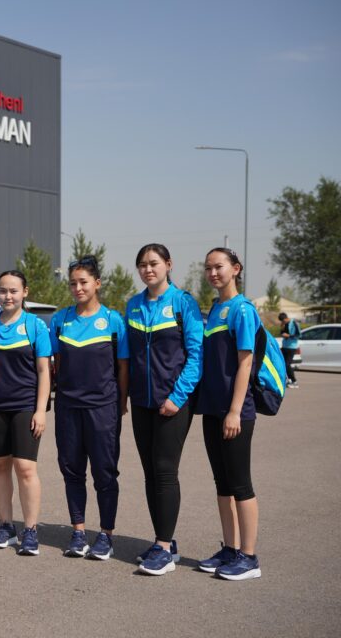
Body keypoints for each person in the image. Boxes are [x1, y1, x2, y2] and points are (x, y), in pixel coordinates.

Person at [126, 244, 203, 575]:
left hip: (173, 402)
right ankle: (164, 543)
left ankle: (163, 546)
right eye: (142, 264)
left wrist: (177, 396)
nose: (148, 269)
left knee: (165, 470)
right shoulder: (133, 304)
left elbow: (196, 356)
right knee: (149, 472)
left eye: (154, 263)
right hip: (141, 402)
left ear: (168, 265)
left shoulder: (183, 303)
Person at [49, 255, 129, 561]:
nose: (78, 288)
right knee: (72, 470)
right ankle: (79, 532)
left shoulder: (113, 320)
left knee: (104, 473)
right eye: (73, 283)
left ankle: (106, 534)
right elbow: (56, 364)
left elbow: (123, 367)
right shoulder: (60, 320)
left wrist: (121, 402)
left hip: (103, 408)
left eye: (83, 282)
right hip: (68, 407)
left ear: (97, 283)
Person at [195, 248, 263, 581]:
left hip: (235, 412)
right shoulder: (215, 309)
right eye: (208, 268)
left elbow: (245, 363)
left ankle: (249, 558)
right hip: (212, 409)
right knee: (222, 483)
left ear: (235, 269)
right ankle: (230, 549)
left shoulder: (242, 309)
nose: (212, 273)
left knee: (240, 483)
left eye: (218, 266)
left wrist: (235, 411)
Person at [0, 270, 52, 557]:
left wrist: (40, 410)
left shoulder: (36, 326)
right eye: (3, 290)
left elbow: (44, 371)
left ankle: (30, 530)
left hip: (25, 407)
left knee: (25, 468)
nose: (7, 296)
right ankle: (6, 526)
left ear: (25, 292)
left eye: (13, 291)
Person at [278, 312, 300, 388]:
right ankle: (288, 380)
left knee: (287, 364)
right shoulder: (284, 324)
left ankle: (294, 381)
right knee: (282, 363)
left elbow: (298, 335)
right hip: (285, 346)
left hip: (292, 347)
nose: (282, 322)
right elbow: (282, 333)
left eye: (283, 321)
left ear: (286, 318)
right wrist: (282, 328)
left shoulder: (294, 323)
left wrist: (289, 336)